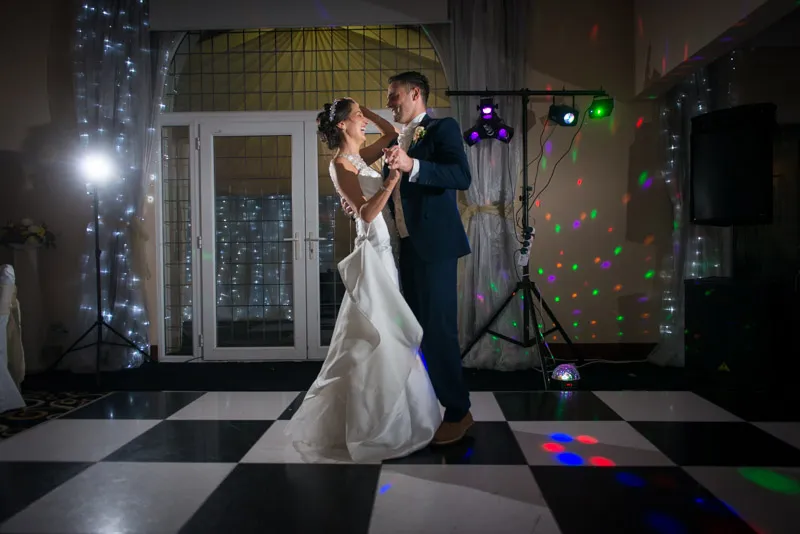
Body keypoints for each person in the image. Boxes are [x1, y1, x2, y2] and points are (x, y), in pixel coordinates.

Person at [285, 97, 441, 463]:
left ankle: (399, 412)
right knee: (378, 327)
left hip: (385, 248)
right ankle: (371, 422)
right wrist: (391, 181)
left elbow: (391, 133)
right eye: (356, 117)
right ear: (341, 126)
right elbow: (367, 213)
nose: (364, 121)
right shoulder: (340, 164)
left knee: (387, 324)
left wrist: (365, 110)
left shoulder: (358, 158)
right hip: (372, 247)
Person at [343, 71, 474, 446]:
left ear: (415, 93)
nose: (390, 102)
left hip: (435, 246)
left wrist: (411, 166)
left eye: (393, 95)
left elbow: (461, 176)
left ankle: (459, 411)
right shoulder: (397, 139)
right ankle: (427, 406)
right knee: (413, 332)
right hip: (405, 248)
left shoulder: (441, 128)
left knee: (437, 330)